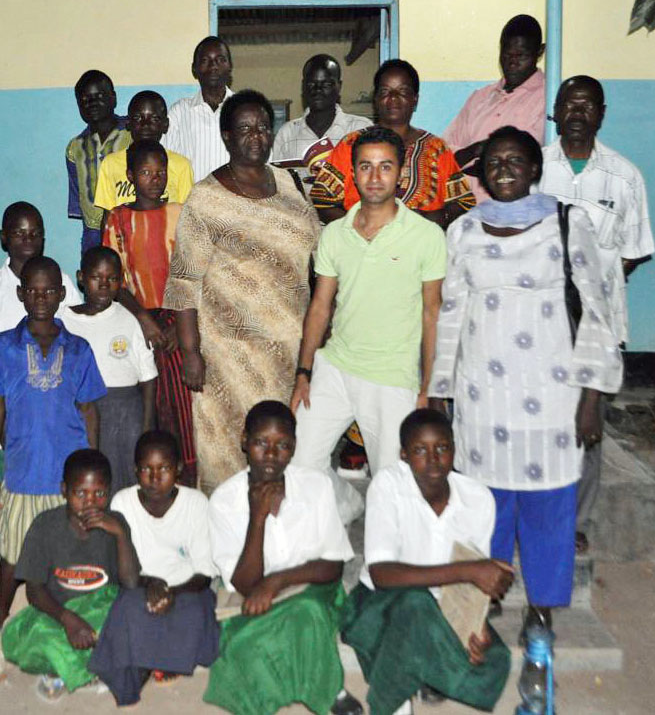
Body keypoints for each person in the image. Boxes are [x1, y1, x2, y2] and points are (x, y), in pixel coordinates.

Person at [428, 126, 623, 637]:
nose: (504, 169)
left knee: (549, 506)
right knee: (484, 505)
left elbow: (597, 311)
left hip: (552, 396)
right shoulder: (464, 230)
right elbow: (451, 315)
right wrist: (439, 393)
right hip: (481, 399)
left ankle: (542, 608)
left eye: (516, 160)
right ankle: (485, 595)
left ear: (535, 169)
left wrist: (591, 399)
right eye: (494, 162)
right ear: (483, 175)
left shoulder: (566, 222)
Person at [164, 90, 320, 492]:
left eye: (264, 127)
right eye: (245, 128)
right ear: (227, 136)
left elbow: (318, 255)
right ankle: (228, 540)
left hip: (288, 353)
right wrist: (190, 353)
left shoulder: (290, 184)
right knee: (228, 454)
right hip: (227, 358)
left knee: (284, 453)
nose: (256, 136)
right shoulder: (206, 198)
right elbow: (184, 281)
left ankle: (279, 540)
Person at [292, 126, 446, 523]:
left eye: (385, 167)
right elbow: (320, 307)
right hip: (335, 368)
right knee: (301, 466)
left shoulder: (427, 236)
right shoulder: (335, 235)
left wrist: (428, 388)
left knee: (392, 483)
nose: (375, 177)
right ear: (353, 173)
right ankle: (345, 503)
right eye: (365, 167)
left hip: (393, 377)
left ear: (401, 175)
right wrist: (304, 372)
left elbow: (433, 315)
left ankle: (387, 565)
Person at [537, 75, 655, 553]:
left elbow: (633, 251)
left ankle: (576, 520)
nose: (578, 111)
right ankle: (542, 509)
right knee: (544, 420)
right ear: (556, 110)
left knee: (587, 426)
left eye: (588, 105)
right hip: (543, 320)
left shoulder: (625, 176)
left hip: (598, 321)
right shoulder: (536, 169)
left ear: (601, 113)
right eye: (570, 103)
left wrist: (590, 286)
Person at [341, 409, 514, 714]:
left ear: (454, 450)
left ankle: (420, 669)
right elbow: (382, 574)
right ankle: (393, 703)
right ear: (404, 455)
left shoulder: (477, 498)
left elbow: (473, 585)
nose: (433, 459)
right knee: (415, 606)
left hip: (444, 608)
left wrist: (475, 625)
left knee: (495, 659)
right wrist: (470, 571)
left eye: (442, 448)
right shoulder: (388, 486)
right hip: (380, 603)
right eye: (420, 450)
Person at [0, 256, 107, 630]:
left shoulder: (79, 349)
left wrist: (92, 467)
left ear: (62, 294)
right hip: (23, 471)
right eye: (32, 290)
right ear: (20, 294)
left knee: (72, 555)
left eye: (49, 290)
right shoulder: (2, 347)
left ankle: (73, 619)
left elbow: (89, 411)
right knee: (14, 553)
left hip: (69, 477)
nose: (41, 297)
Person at [206, 401, 362, 715]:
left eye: (283, 445)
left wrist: (277, 582)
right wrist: (258, 518)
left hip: (312, 587)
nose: (272, 454)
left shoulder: (315, 486)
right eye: (261, 443)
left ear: (293, 448)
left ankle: (328, 689)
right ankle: (325, 682)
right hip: (251, 593)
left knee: (307, 611)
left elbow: (332, 566)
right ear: (244, 441)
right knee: (243, 645)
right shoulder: (224, 500)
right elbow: (245, 585)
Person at [89, 430, 220, 706]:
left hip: (186, 589)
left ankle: (148, 661)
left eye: (164, 468)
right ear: (135, 470)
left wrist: (171, 592)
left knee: (196, 613)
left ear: (179, 470)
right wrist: (151, 585)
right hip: (140, 586)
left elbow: (204, 574)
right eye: (146, 469)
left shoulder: (196, 504)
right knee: (129, 609)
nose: (155, 477)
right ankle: (155, 662)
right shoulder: (123, 503)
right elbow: (120, 569)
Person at [1, 449, 141, 701]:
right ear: (64, 490)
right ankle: (90, 669)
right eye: (80, 493)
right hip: (57, 611)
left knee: (134, 623)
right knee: (25, 638)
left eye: (99, 494)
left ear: (108, 492)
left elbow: (130, 583)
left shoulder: (115, 522)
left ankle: (68, 670)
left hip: (100, 610)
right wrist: (68, 620)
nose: (90, 502)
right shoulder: (44, 525)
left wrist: (120, 535)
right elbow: (34, 591)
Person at [102, 139, 198, 485]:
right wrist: (143, 319)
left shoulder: (180, 213)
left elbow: (192, 273)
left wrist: (178, 327)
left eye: (160, 172)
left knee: (179, 409)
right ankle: (141, 479)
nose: (154, 179)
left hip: (176, 318)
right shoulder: (118, 219)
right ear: (130, 175)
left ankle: (182, 480)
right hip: (135, 317)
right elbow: (114, 279)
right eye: (145, 172)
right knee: (146, 404)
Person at [311, 59, 473, 227]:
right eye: (385, 91)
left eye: (402, 91)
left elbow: (463, 203)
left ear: (415, 99)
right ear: (375, 99)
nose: (393, 98)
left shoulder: (437, 148)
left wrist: (435, 218)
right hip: (362, 248)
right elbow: (322, 201)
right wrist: (361, 227)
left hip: (422, 248)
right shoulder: (351, 145)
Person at [61, 246, 157, 495]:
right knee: (88, 477)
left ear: (121, 281)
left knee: (125, 481)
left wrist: (146, 428)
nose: (104, 285)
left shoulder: (129, 319)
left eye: (112, 279)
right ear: (81, 277)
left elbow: (148, 378)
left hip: (125, 413)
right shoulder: (64, 321)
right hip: (80, 410)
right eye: (96, 278)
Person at [444, 14, 547, 203]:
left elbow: (529, 158)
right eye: (506, 55)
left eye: (521, 56)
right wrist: (476, 150)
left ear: (539, 52)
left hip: (515, 215)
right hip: (464, 211)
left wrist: (474, 158)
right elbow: (445, 156)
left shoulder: (547, 99)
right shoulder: (480, 98)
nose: (512, 63)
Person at [0, 201, 78, 342]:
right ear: (3, 237)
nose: (28, 239)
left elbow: (75, 335)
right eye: (19, 233)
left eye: (35, 233)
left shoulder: (61, 281)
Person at [269, 54, 373, 188]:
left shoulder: (361, 129)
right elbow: (278, 185)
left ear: (339, 86)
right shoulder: (286, 134)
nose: (318, 90)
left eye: (326, 84)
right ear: (303, 86)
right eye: (312, 84)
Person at [94, 90, 194, 221]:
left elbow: (186, 219)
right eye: (137, 118)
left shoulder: (181, 165)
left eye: (154, 118)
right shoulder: (110, 164)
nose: (145, 125)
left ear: (165, 125)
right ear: (128, 123)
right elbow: (108, 218)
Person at [67, 70, 132, 254]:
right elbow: (77, 195)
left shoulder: (133, 134)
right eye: (85, 99)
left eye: (100, 96)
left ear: (113, 98)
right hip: (93, 235)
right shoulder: (75, 148)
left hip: (130, 228)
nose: (92, 103)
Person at [165, 36, 234, 181]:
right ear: (194, 69)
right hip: (190, 200)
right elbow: (166, 160)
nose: (213, 66)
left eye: (220, 59)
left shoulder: (243, 110)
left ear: (230, 66)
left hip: (235, 201)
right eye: (205, 60)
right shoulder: (179, 112)